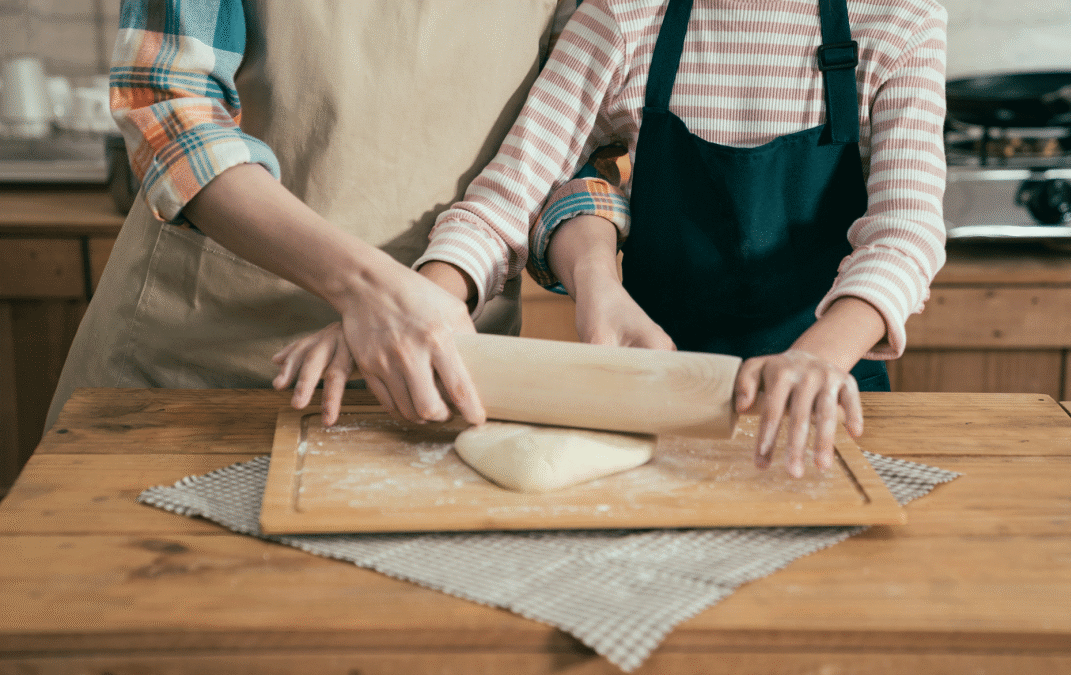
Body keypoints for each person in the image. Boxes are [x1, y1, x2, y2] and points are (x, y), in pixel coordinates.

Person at [273, 0, 949, 478]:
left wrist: (819, 359)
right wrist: (415, 305)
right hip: (646, 399)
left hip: (825, 400)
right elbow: (510, 197)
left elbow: (907, 230)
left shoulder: (898, 19)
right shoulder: (626, 17)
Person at [43, 0, 629, 433]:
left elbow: (568, 156)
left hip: (444, 369)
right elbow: (167, 108)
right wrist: (371, 289)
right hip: (198, 370)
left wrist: (596, 280)